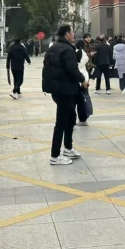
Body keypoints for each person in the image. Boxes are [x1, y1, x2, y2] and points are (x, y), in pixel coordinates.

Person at [41, 25, 88, 164]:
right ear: (67, 34)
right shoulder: (67, 49)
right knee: (61, 122)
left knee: (71, 117)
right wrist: (83, 80)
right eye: (72, 32)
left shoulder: (53, 47)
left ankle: (68, 148)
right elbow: (72, 69)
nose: (73, 34)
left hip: (58, 88)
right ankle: (55, 156)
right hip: (64, 89)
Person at [75, 39, 91, 125]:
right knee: (83, 99)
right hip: (85, 77)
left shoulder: (74, 52)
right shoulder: (84, 53)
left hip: (76, 78)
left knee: (74, 101)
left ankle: (72, 120)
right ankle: (83, 119)